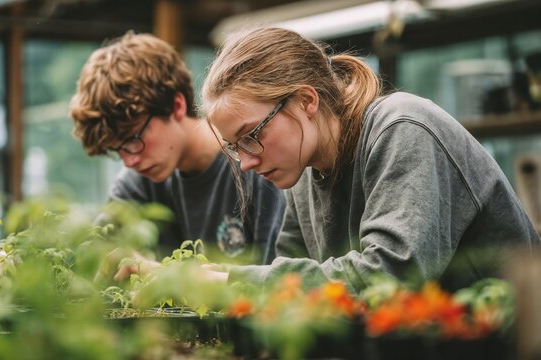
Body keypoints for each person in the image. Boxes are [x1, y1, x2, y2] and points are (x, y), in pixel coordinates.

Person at [187, 26, 541, 292]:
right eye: (235, 147)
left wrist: (229, 280)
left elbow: (389, 276)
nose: (246, 162)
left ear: (306, 101)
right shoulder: (302, 169)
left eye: (252, 136)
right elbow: (294, 291)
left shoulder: (403, 127)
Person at [69, 32, 285, 265]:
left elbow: (278, 284)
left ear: (176, 105)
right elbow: (94, 252)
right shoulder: (139, 182)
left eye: (132, 139)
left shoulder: (257, 165)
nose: (129, 161)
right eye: (117, 149)